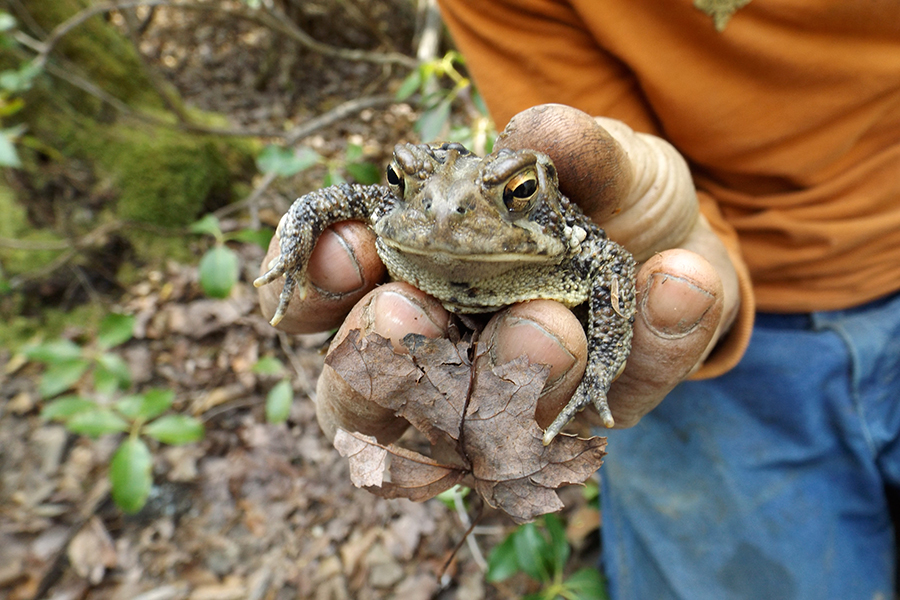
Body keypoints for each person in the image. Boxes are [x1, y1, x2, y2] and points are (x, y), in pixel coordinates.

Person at [258, 2, 900, 597]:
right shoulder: (399, 208)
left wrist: (603, 361)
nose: (446, 214)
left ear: (530, 196)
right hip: (716, 366)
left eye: (515, 193)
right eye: (404, 181)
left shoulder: (567, 242)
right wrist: (294, 245)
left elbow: (612, 261)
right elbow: (331, 201)